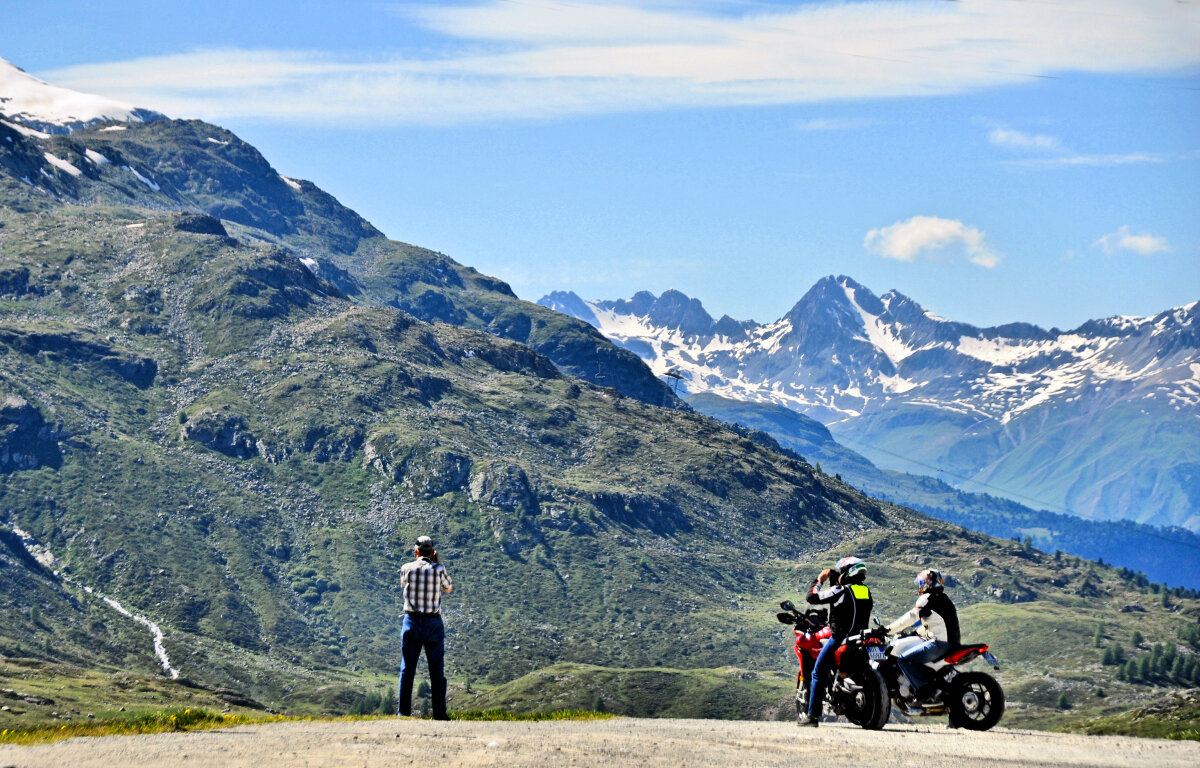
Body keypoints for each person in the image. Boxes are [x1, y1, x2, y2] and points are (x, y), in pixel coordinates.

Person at [801, 555, 873, 727]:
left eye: (842, 571)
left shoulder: (841, 590)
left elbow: (812, 598)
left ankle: (812, 716)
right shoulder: (865, 590)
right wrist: (836, 579)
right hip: (860, 640)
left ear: (848, 572)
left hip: (840, 639)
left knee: (818, 672)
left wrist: (819, 580)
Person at [398, 535, 454, 720]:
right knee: (436, 669)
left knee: (407, 668)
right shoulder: (439, 569)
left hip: (412, 621)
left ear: (416, 551)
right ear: (433, 552)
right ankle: (439, 714)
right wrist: (436, 564)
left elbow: (403, 586)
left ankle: (403, 712)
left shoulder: (406, 568)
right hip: (432, 622)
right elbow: (448, 589)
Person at [886, 568, 960, 701]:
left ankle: (923, 689)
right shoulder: (944, 599)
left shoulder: (927, 598)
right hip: (953, 644)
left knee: (903, 659)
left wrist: (887, 630)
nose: (920, 586)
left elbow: (910, 618)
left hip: (939, 644)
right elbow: (935, 624)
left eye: (922, 582)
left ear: (928, 583)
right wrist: (914, 633)